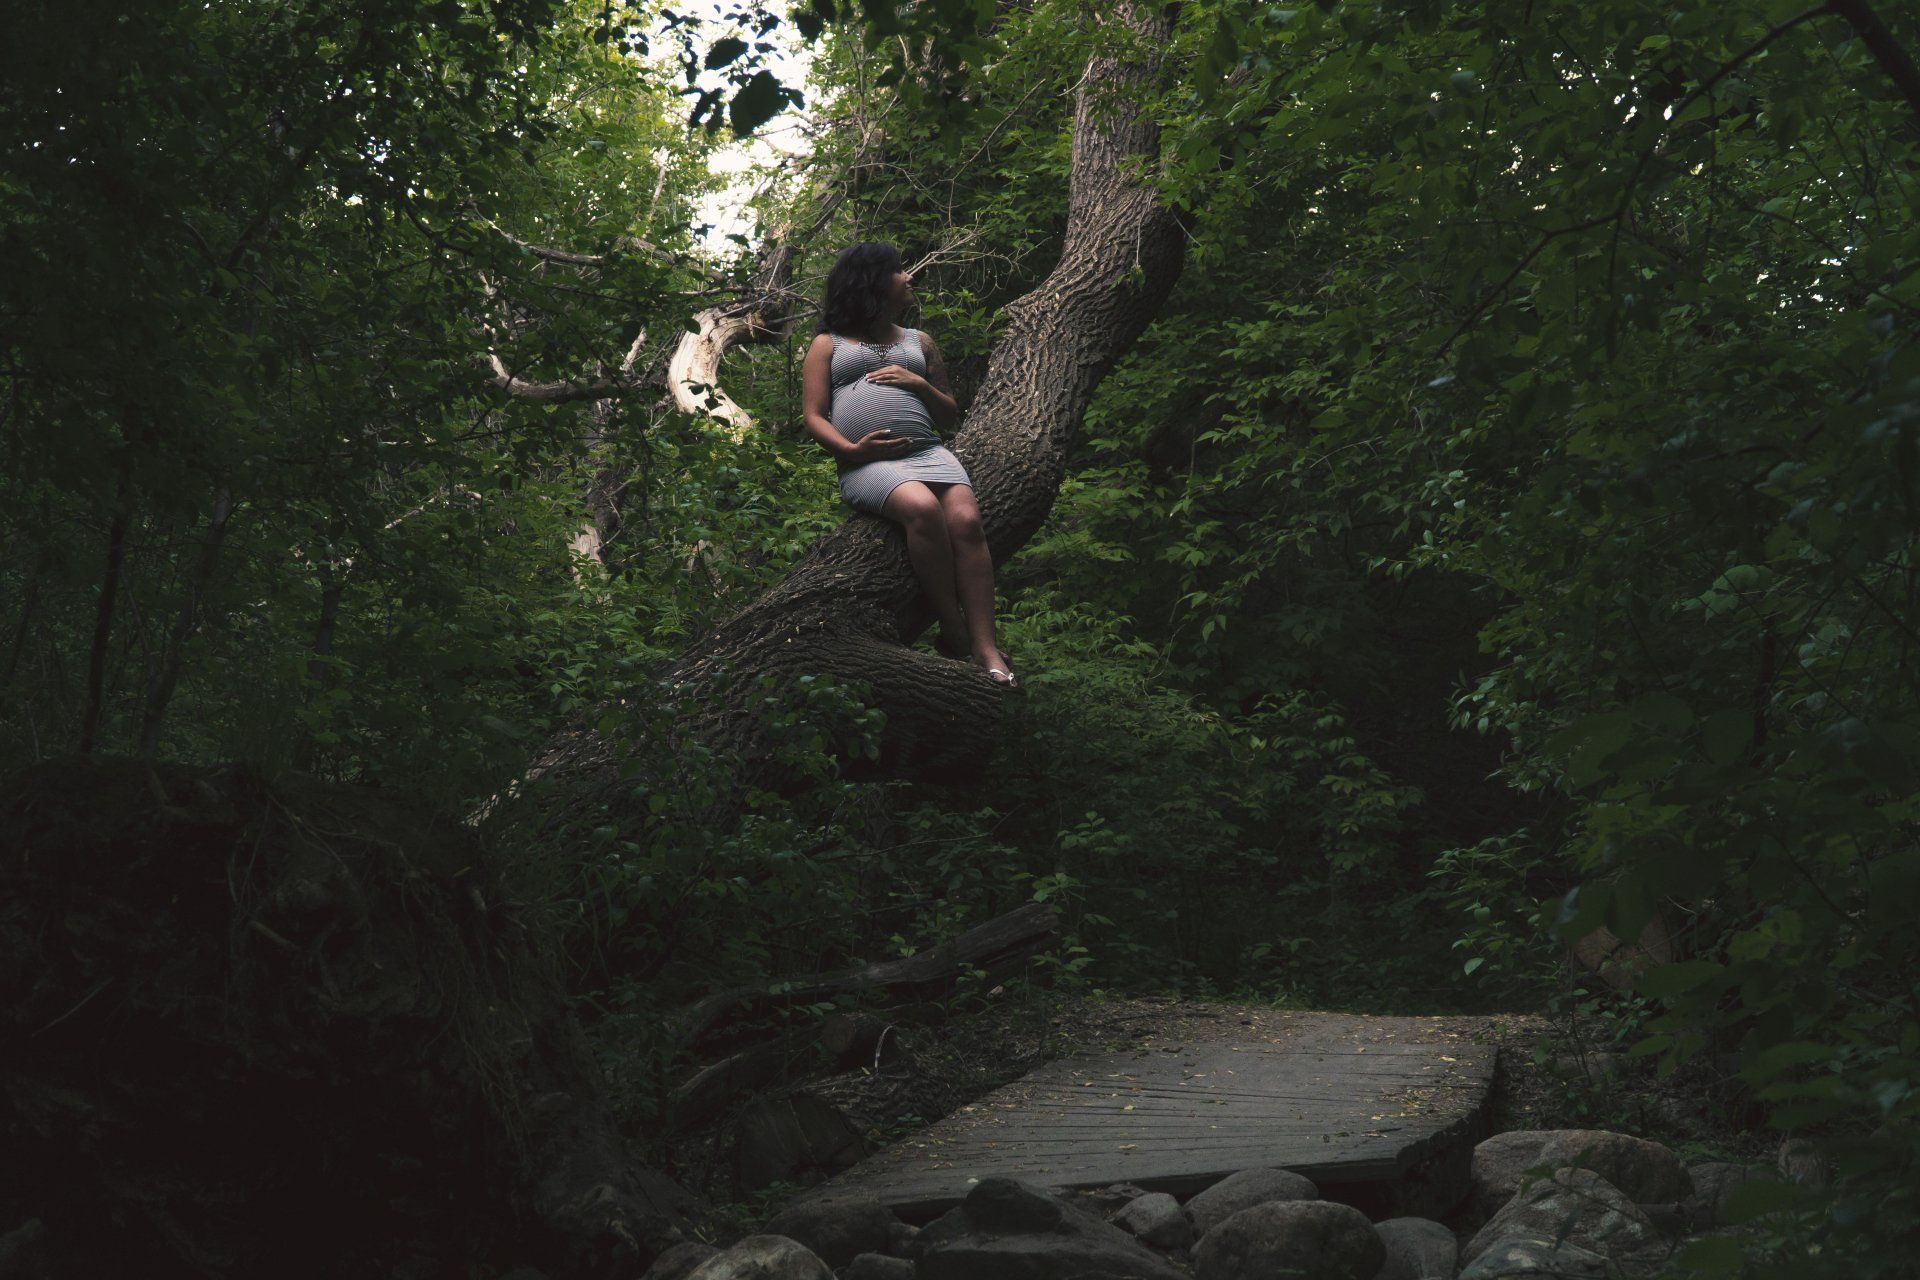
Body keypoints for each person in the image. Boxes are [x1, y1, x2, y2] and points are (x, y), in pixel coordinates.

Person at [801, 242, 1016, 687]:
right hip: (867, 464)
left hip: (929, 453)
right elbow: (814, 416)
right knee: (921, 508)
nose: (909, 277)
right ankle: (953, 628)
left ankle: (986, 647)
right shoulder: (828, 344)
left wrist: (918, 382)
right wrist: (852, 451)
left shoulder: (920, 342)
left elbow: (948, 415)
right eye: (899, 270)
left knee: (967, 522)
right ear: (872, 280)